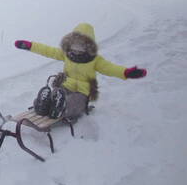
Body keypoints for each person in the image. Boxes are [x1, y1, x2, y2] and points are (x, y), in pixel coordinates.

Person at [14, 23, 147, 119]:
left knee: (73, 103)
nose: (76, 49)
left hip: (82, 92)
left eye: (81, 45)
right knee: (57, 94)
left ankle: (60, 108)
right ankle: (43, 104)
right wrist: (30, 46)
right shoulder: (66, 54)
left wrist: (126, 72)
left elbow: (110, 68)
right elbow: (48, 50)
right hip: (65, 86)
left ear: (88, 46)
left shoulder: (95, 60)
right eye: (74, 44)